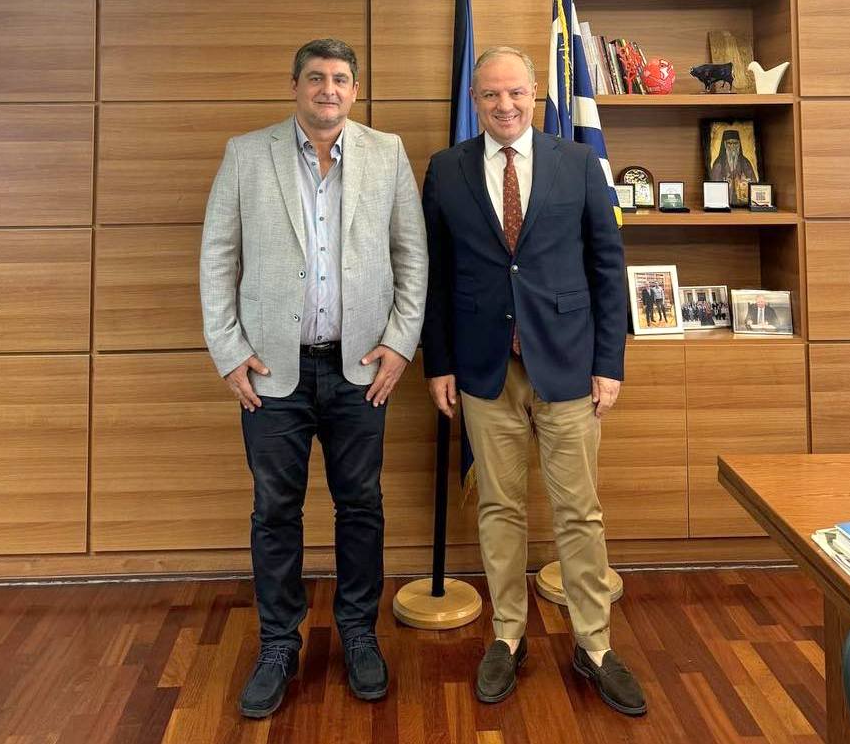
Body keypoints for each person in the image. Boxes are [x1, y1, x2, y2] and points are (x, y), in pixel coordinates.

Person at [199, 38, 427, 719]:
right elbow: (218, 257)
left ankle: (359, 633)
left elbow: (412, 256)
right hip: (272, 371)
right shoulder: (247, 154)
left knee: (361, 505)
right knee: (275, 510)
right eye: (317, 77)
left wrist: (400, 344)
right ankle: (278, 644)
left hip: (362, 370)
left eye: (341, 78)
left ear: (355, 89)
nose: (329, 88)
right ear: (295, 85)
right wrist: (228, 351)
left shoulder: (387, 153)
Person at [421, 46, 646, 717]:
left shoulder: (576, 163)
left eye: (516, 92)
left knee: (579, 511)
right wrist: (439, 362)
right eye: (491, 94)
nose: (505, 104)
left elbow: (607, 266)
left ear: (536, 94)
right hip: (483, 368)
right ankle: (509, 637)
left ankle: (594, 645)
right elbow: (436, 275)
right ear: (475, 100)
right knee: (499, 508)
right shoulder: (446, 169)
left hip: (569, 365)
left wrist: (610, 361)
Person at [709, 129, 758, 206]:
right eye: (729, 143)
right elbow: (713, 185)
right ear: (725, 144)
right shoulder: (719, 164)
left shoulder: (745, 162)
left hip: (742, 202)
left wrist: (744, 182)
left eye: (735, 143)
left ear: (739, 144)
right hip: (724, 201)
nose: (732, 146)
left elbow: (753, 183)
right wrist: (725, 183)